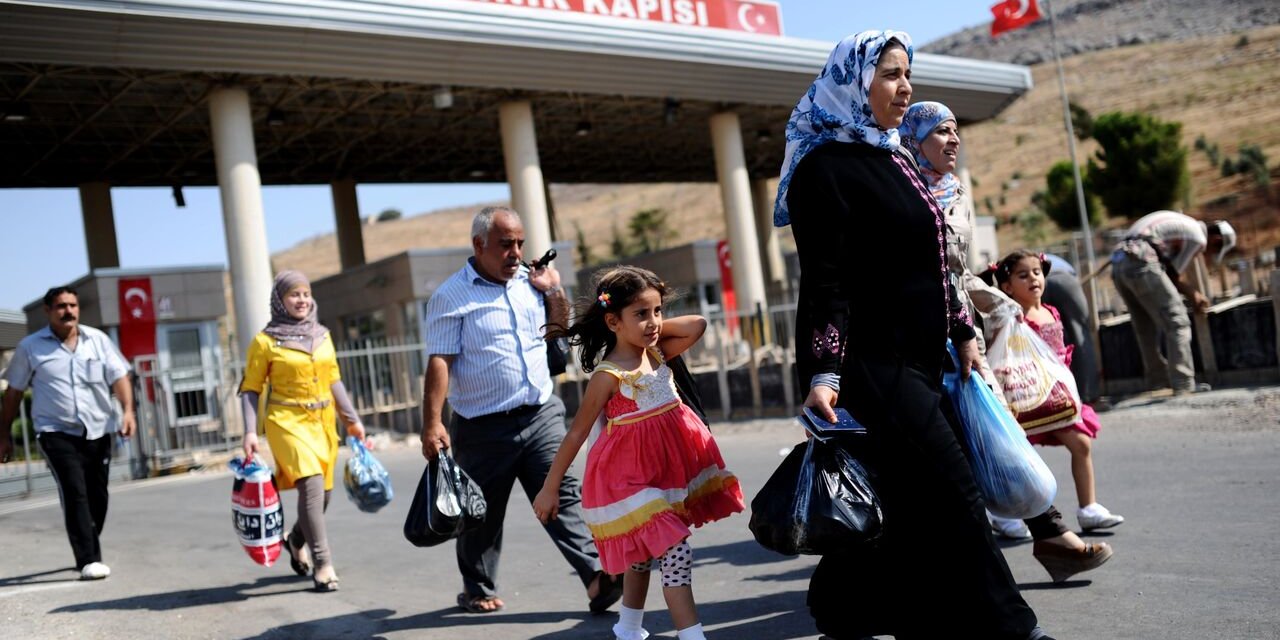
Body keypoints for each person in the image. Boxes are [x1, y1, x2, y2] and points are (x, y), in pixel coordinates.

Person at [775, 30, 1052, 639]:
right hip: (873, 365)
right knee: (954, 489)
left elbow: (935, 257)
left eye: (908, 76)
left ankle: (844, 608)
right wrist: (824, 374)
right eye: (891, 75)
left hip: (925, 359)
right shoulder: (824, 171)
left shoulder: (896, 155)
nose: (904, 89)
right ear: (854, 81)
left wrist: (962, 329)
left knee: (903, 499)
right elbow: (826, 284)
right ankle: (1014, 629)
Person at [419, 206, 624, 615]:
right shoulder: (450, 296)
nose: (515, 253)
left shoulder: (531, 283)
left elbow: (558, 333)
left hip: (540, 414)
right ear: (479, 245)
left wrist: (554, 292)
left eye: (520, 243)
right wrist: (432, 423)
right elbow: (439, 361)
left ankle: (596, 579)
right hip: (481, 426)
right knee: (483, 513)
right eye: (505, 244)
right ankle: (477, 587)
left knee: (562, 496)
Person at [533, 266, 744, 640]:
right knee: (675, 550)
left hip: (663, 474)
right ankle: (692, 635)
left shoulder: (658, 353)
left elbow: (697, 324)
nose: (654, 322)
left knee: (642, 555)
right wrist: (550, 488)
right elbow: (577, 433)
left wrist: (648, 317)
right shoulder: (609, 375)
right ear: (613, 321)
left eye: (658, 311)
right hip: (626, 480)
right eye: (641, 314)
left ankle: (628, 628)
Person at [898, 101, 1034, 541]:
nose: (953, 140)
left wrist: (998, 302)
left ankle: (1027, 511)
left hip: (961, 333)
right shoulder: (898, 193)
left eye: (955, 130)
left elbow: (958, 272)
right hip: (916, 339)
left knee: (990, 415)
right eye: (940, 131)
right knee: (945, 437)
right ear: (913, 140)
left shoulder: (955, 192)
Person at [239, 270, 366, 592]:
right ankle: (322, 563)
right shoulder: (265, 341)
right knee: (309, 484)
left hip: (322, 422)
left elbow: (333, 379)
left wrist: (352, 420)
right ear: (279, 301)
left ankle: (295, 540)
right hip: (286, 421)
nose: (302, 300)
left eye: (306, 294)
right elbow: (251, 388)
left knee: (322, 496)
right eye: (294, 294)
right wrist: (250, 431)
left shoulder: (322, 335)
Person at [0, 286, 134, 580]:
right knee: (75, 491)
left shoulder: (97, 340)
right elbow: (14, 392)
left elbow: (119, 376)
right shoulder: (30, 348)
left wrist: (127, 411)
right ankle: (88, 558)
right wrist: (4, 433)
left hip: (98, 429)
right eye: (61, 306)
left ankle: (86, 537)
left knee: (98, 495)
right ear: (48, 311)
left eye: (73, 305)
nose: (68, 311)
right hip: (55, 431)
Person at [990, 250, 1125, 535]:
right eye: (1023, 275)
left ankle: (1088, 508)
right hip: (1023, 397)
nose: (1033, 279)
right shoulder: (1010, 317)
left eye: (1037, 272)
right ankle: (1005, 515)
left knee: (1081, 444)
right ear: (1007, 286)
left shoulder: (1051, 311)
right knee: (1016, 457)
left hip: (1056, 396)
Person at [1110, 210, 1235, 394]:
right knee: (1178, 322)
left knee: (1145, 327)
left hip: (1119, 264)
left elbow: (1167, 271)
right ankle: (1183, 383)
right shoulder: (1198, 238)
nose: (1206, 255)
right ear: (1216, 240)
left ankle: (1158, 382)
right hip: (1141, 261)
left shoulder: (1181, 223)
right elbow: (1173, 275)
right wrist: (1194, 295)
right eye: (1214, 250)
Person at [1040, 253, 1104, 406]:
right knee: (1080, 334)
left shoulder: (1028, 262)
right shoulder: (1061, 265)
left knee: (1044, 340)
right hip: (1064, 279)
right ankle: (1089, 395)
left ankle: (1056, 398)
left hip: (1036, 283)